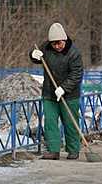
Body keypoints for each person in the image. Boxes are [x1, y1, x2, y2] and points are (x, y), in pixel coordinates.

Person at [29, 22, 83, 160]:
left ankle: (73, 150)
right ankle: (53, 150)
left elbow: (76, 74)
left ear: (64, 40)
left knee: (70, 122)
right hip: (49, 92)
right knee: (50, 122)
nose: (57, 46)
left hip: (70, 95)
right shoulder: (47, 48)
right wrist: (33, 55)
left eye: (59, 43)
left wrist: (64, 88)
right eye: (54, 44)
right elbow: (38, 58)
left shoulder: (74, 53)